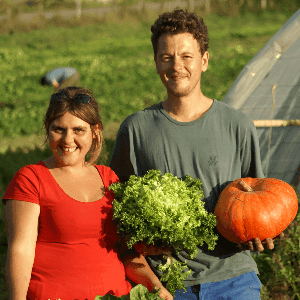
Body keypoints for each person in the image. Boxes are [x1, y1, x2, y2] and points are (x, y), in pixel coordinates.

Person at [109, 9, 283, 300]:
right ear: (156, 62)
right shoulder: (136, 129)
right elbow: (116, 212)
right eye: (167, 57)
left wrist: (261, 234)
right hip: (168, 284)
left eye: (186, 56)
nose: (177, 66)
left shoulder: (237, 125)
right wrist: (150, 276)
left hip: (234, 279)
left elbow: (257, 201)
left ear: (204, 60)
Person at [2, 86, 172, 300]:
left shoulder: (109, 179)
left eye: (78, 130)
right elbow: (21, 251)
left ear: (95, 130)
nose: (67, 139)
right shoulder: (31, 178)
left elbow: (126, 252)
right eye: (58, 129)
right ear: (47, 128)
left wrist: (156, 287)